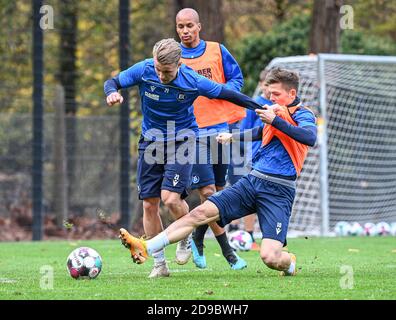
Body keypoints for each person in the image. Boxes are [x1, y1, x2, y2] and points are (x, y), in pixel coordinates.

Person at [118, 67, 317, 276]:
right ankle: (147, 246)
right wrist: (233, 136)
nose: (270, 98)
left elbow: (309, 137)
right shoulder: (276, 112)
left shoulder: (303, 114)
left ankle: (290, 263)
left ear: (292, 94)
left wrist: (274, 120)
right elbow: (262, 131)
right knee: (200, 213)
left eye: (276, 94)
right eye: (269, 94)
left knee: (270, 257)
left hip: (279, 190)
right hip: (252, 181)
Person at [104, 38, 268, 278]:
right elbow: (113, 82)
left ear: (179, 64)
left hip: (182, 140)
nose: (160, 76)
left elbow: (228, 93)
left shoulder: (192, 80)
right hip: (151, 141)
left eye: (166, 71)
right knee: (149, 204)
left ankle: (185, 233)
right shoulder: (145, 69)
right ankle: (160, 265)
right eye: (158, 70)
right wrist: (111, 93)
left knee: (170, 200)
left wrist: (260, 108)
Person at [176, 8, 246, 270]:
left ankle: (197, 238)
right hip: (192, 133)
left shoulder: (217, 50)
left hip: (220, 131)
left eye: (189, 26)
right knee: (207, 193)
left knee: (217, 194)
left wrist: (224, 92)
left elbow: (236, 78)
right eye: (180, 26)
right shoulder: (174, 57)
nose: (185, 31)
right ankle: (229, 252)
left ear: (199, 26)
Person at [227, 69, 273, 251]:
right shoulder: (255, 106)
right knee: (247, 195)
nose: (270, 90)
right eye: (267, 85)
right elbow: (243, 132)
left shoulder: (278, 107)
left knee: (260, 197)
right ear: (261, 85)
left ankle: (252, 234)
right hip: (253, 157)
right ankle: (244, 233)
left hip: (269, 158)